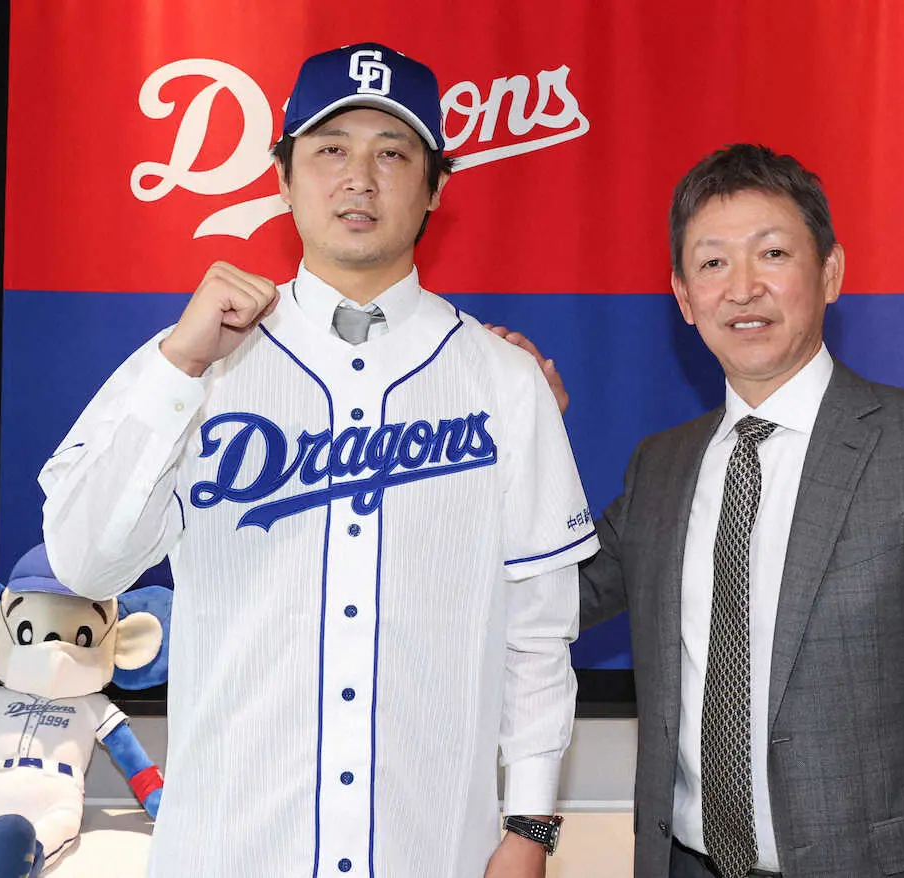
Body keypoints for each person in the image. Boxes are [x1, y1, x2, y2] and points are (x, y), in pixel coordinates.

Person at [38, 42, 598, 878]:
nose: (359, 179)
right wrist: (180, 368)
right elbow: (86, 562)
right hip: (229, 852)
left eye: (392, 153)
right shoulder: (192, 360)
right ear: (282, 178)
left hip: (430, 849)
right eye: (331, 149)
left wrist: (530, 827)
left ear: (435, 187)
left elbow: (538, 632)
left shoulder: (504, 381)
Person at [500, 143, 904, 877]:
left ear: (831, 273)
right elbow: (538, 599)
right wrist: (515, 446)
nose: (743, 288)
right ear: (684, 297)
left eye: (773, 254)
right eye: (713, 263)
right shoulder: (661, 467)